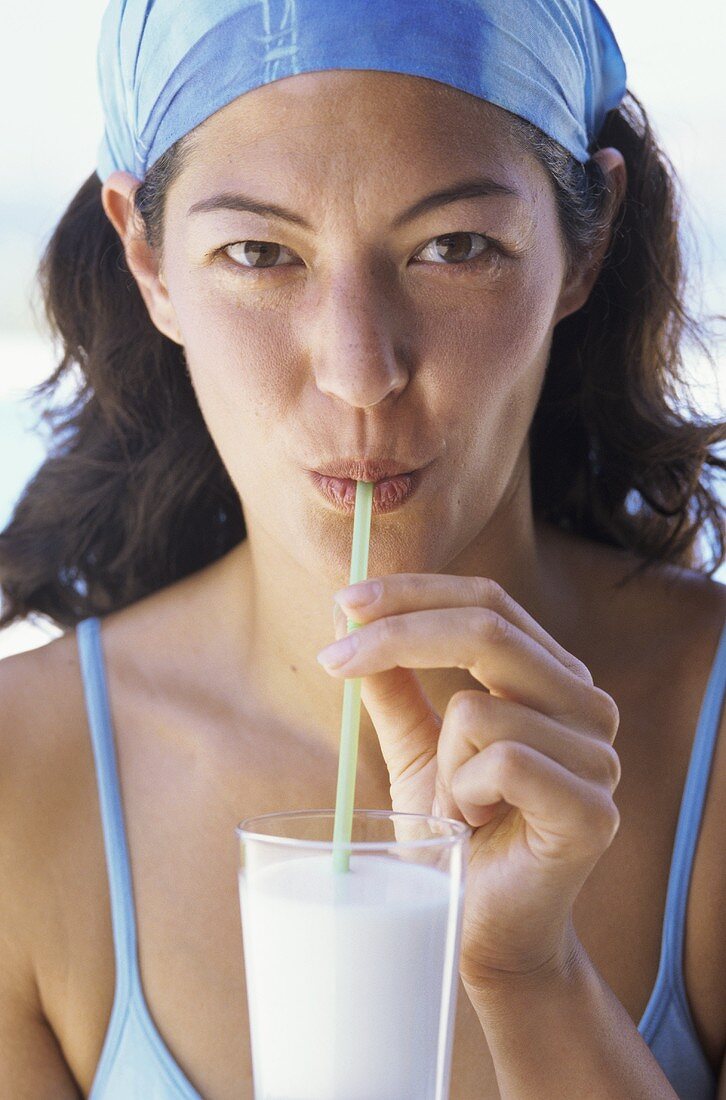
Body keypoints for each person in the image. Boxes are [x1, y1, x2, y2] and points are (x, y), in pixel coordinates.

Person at [0, 0, 724, 1097]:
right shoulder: (20, 781)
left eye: (456, 246)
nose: (359, 369)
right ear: (148, 259)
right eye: (258, 252)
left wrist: (529, 975)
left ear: (587, 240)